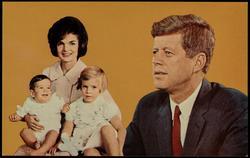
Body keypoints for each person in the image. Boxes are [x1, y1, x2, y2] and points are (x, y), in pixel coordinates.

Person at [123, 14, 248, 156]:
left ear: (198, 62)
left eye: (168, 53)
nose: (156, 61)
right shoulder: (147, 107)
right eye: (155, 52)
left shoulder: (236, 108)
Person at [14, 16, 120, 156]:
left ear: (80, 44)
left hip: (78, 141)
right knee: (21, 152)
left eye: (72, 43)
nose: (66, 49)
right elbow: (36, 103)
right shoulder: (48, 73)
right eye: (61, 43)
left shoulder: (90, 77)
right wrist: (27, 117)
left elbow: (111, 117)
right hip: (49, 136)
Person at [57, 66, 126, 156]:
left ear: (100, 88)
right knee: (89, 153)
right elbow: (68, 127)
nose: (88, 91)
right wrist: (62, 140)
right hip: (86, 144)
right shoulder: (74, 106)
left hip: (104, 140)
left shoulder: (104, 105)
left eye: (94, 87)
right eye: (85, 86)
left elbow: (121, 129)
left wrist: (120, 149)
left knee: (106, 129)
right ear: (80, 86)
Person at [9, 74, 69, 155]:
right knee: (24, 132)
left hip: (50, 133)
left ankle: (40, 151)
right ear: (32, 93)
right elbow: (21, 113)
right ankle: (34, 145)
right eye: (41, 88)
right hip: (35, 134)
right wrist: (16, 117)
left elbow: (64, 108)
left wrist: (65, 108)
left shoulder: (55, 100)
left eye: (48, 88)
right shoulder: (29, 102)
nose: (46, 90)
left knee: (53, 133)